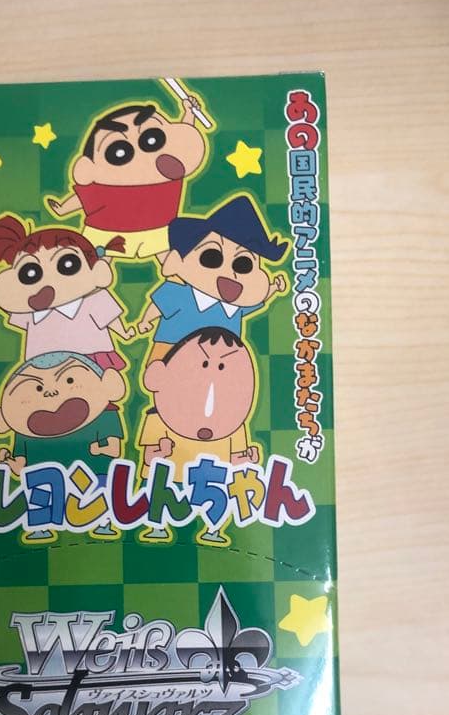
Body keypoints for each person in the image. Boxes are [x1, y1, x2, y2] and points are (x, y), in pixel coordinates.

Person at [47, 96, 209, 261]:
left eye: (152, 139)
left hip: (156, 229)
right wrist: (63, 209)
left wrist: (189, 114)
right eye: (118, 152)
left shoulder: (168, 172)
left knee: (168, 258)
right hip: (109, 232)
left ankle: (179, 275)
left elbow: (182, 143)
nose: (142, 157)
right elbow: (85, 198)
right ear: (89, 167)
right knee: (99, 261)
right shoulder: (106, 187)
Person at [138, 326, 260, 544]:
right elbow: (148, 457)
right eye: (204, 364)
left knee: (219, 498)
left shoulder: (234, 427)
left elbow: (235, 459)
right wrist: (161, 452)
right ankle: (158, 526)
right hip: (170, 481)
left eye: (223, 368)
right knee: (157, 490)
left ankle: (213, 530)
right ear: (158, 377)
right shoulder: (157, 420)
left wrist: (248, 459)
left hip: (211, 483)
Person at [0, 351, 127, 542]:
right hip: (44, 481)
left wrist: (99, 450)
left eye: (69, 380)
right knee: (39, 486)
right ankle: (41, 525)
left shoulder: (104, 416)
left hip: (91, 477)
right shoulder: (23, 431)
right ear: (2, 417)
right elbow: (21, 467)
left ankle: (102, 522)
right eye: (37, 388)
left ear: (109, 385)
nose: (51, 392)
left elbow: (115, 450)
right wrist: (7, 461)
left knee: (99, 486)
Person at [137, 195, 289, 361]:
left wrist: (273, 288)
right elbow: (159, 306)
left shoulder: (235, 307)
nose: (230, 274)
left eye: (243, 264)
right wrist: (145, 321)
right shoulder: (178, 292)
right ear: (177, 261)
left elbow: (255, 298)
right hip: (172, 348)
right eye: (211, 258)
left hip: (221, 358)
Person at [0, 214, 134, 369]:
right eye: (29, 273)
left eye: (68, 265)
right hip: (42, 362)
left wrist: (124, 333)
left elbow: (108, 318)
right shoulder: (33, 312)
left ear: (95, 269)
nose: (49, 281)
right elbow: (13, 307)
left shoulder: (94, 299)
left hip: (90, 356)